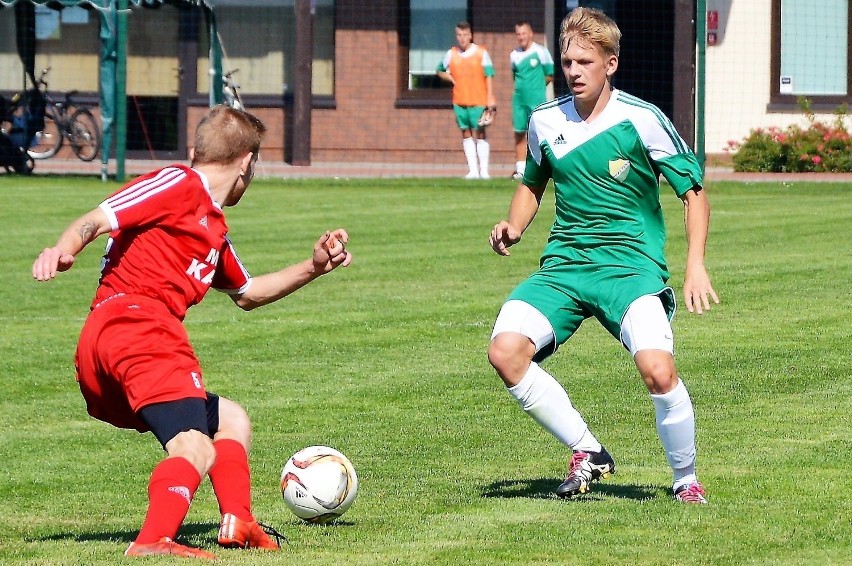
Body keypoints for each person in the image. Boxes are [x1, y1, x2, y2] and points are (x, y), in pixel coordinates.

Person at [32, 105, 353, 558]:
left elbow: (247, 292)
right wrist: (63, 249)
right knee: (195, 447)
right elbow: (99, 217)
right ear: (246, 163)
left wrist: (314, 268)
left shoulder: (213, 226)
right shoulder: (179, 183)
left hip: (114, 339)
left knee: (230, 420)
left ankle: (239, 520)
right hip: (138, 326)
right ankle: (153, 541)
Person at [487, 7, 719, 504]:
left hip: (630, 270)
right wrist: (514, 226)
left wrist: (694, 262)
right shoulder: (545, 121)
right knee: (505, 351)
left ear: (610, 64)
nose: (572, 71)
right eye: (567, 61)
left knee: (658, 370)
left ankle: (685, 479)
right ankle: (587, 450)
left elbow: (693, 192)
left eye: (584, 62)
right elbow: (532, 183)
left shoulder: (643, 119)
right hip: (565, 268)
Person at [437, 21, 497, 180]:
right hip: (460, 99)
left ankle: (484, 171)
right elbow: (440, 70)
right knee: (466, 132)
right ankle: (473, 171)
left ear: (470, 35)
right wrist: (447, 76)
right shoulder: (452, 53)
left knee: (481, 132)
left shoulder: (481, 52)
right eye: (459, 35)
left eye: (465, 35)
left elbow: (489, 75)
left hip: (479, 99)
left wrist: (490, 97)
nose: (462, 38)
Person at [510, 21, 554, 181]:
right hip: (519, 100)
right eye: (518, 34)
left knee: (539, 133)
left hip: (536, 99)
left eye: (523, 33)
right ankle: (520, 169)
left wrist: (536, 86)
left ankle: (544, 167)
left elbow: (550, 73)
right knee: (519, 132)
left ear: (530, 34)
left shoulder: (541, 52)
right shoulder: (513, 55)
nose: (521, 37)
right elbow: (514, 75)